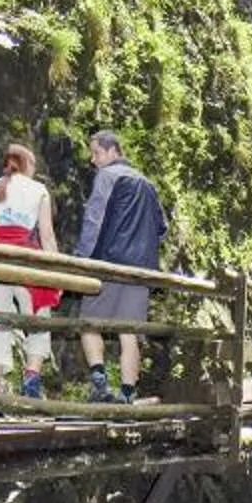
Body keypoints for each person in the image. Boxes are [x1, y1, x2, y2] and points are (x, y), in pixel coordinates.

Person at [74, 129, 166, 402]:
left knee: (88, 323)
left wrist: (81, 258)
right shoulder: (148, 184)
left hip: (109, 264)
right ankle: (127, 394)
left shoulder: (107, 176)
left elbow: (94, 219)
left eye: (97, 153)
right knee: (130, 333)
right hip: (140, 271)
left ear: (113, 151)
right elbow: (161, 229)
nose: (93, 160)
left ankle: (100, 384)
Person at [0, 141, 57, 398]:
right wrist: (58, 270)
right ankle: (31, 377)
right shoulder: (38, 190)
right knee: (39, 319)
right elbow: (47, 236)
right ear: (28, 165)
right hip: (26, 260)